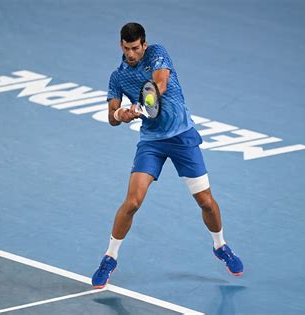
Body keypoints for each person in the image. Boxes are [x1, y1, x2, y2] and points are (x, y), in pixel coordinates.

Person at [92, 22, 243, 289]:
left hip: (182, 137)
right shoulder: (117, 77)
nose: (131, 54)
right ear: (120, 46)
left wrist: (144, 103)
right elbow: (111, 116)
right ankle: (110, 257)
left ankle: (220, 246)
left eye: (135, 48)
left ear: (144, 44)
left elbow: (159, 83)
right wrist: (121, 114)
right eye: (126, 48)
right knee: (133, 202)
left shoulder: (157, 53)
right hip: (152, 142)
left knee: (206, 202)